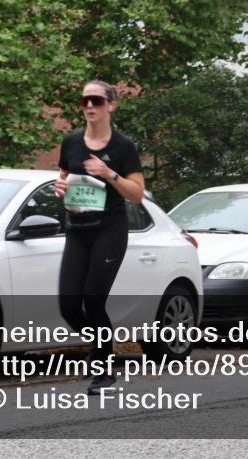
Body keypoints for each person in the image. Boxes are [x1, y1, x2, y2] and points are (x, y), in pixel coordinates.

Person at [54, 80, 145, 396]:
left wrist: (109, 174)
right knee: (68, 305)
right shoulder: (71, 143)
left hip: (110, 229)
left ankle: (104, 371)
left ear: (111, 105)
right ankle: (100, 347)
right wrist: (60, 186)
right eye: (84, 101)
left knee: (93, 299)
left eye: (96, 100)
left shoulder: (123, 147)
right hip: (77, 230)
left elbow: (136, 195)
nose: (89, 106)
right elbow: (64, 178)